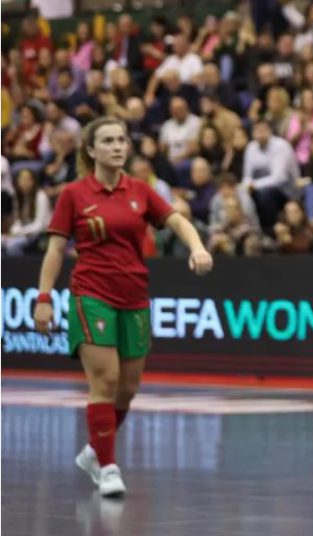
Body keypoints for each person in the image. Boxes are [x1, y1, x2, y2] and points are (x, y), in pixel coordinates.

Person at [32, 117, 213, 497]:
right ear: (91, 150)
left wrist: (197, 247)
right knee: (106, 381)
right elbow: (54, 250)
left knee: (128, 389)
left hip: (134, 296)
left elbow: (177, 220)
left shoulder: (141, 191)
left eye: (122, 140)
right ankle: (109, 467)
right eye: (108, 141)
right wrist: (44, 298)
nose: (118, 146)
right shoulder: (74, 194)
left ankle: (94, 452)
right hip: (91, 295)